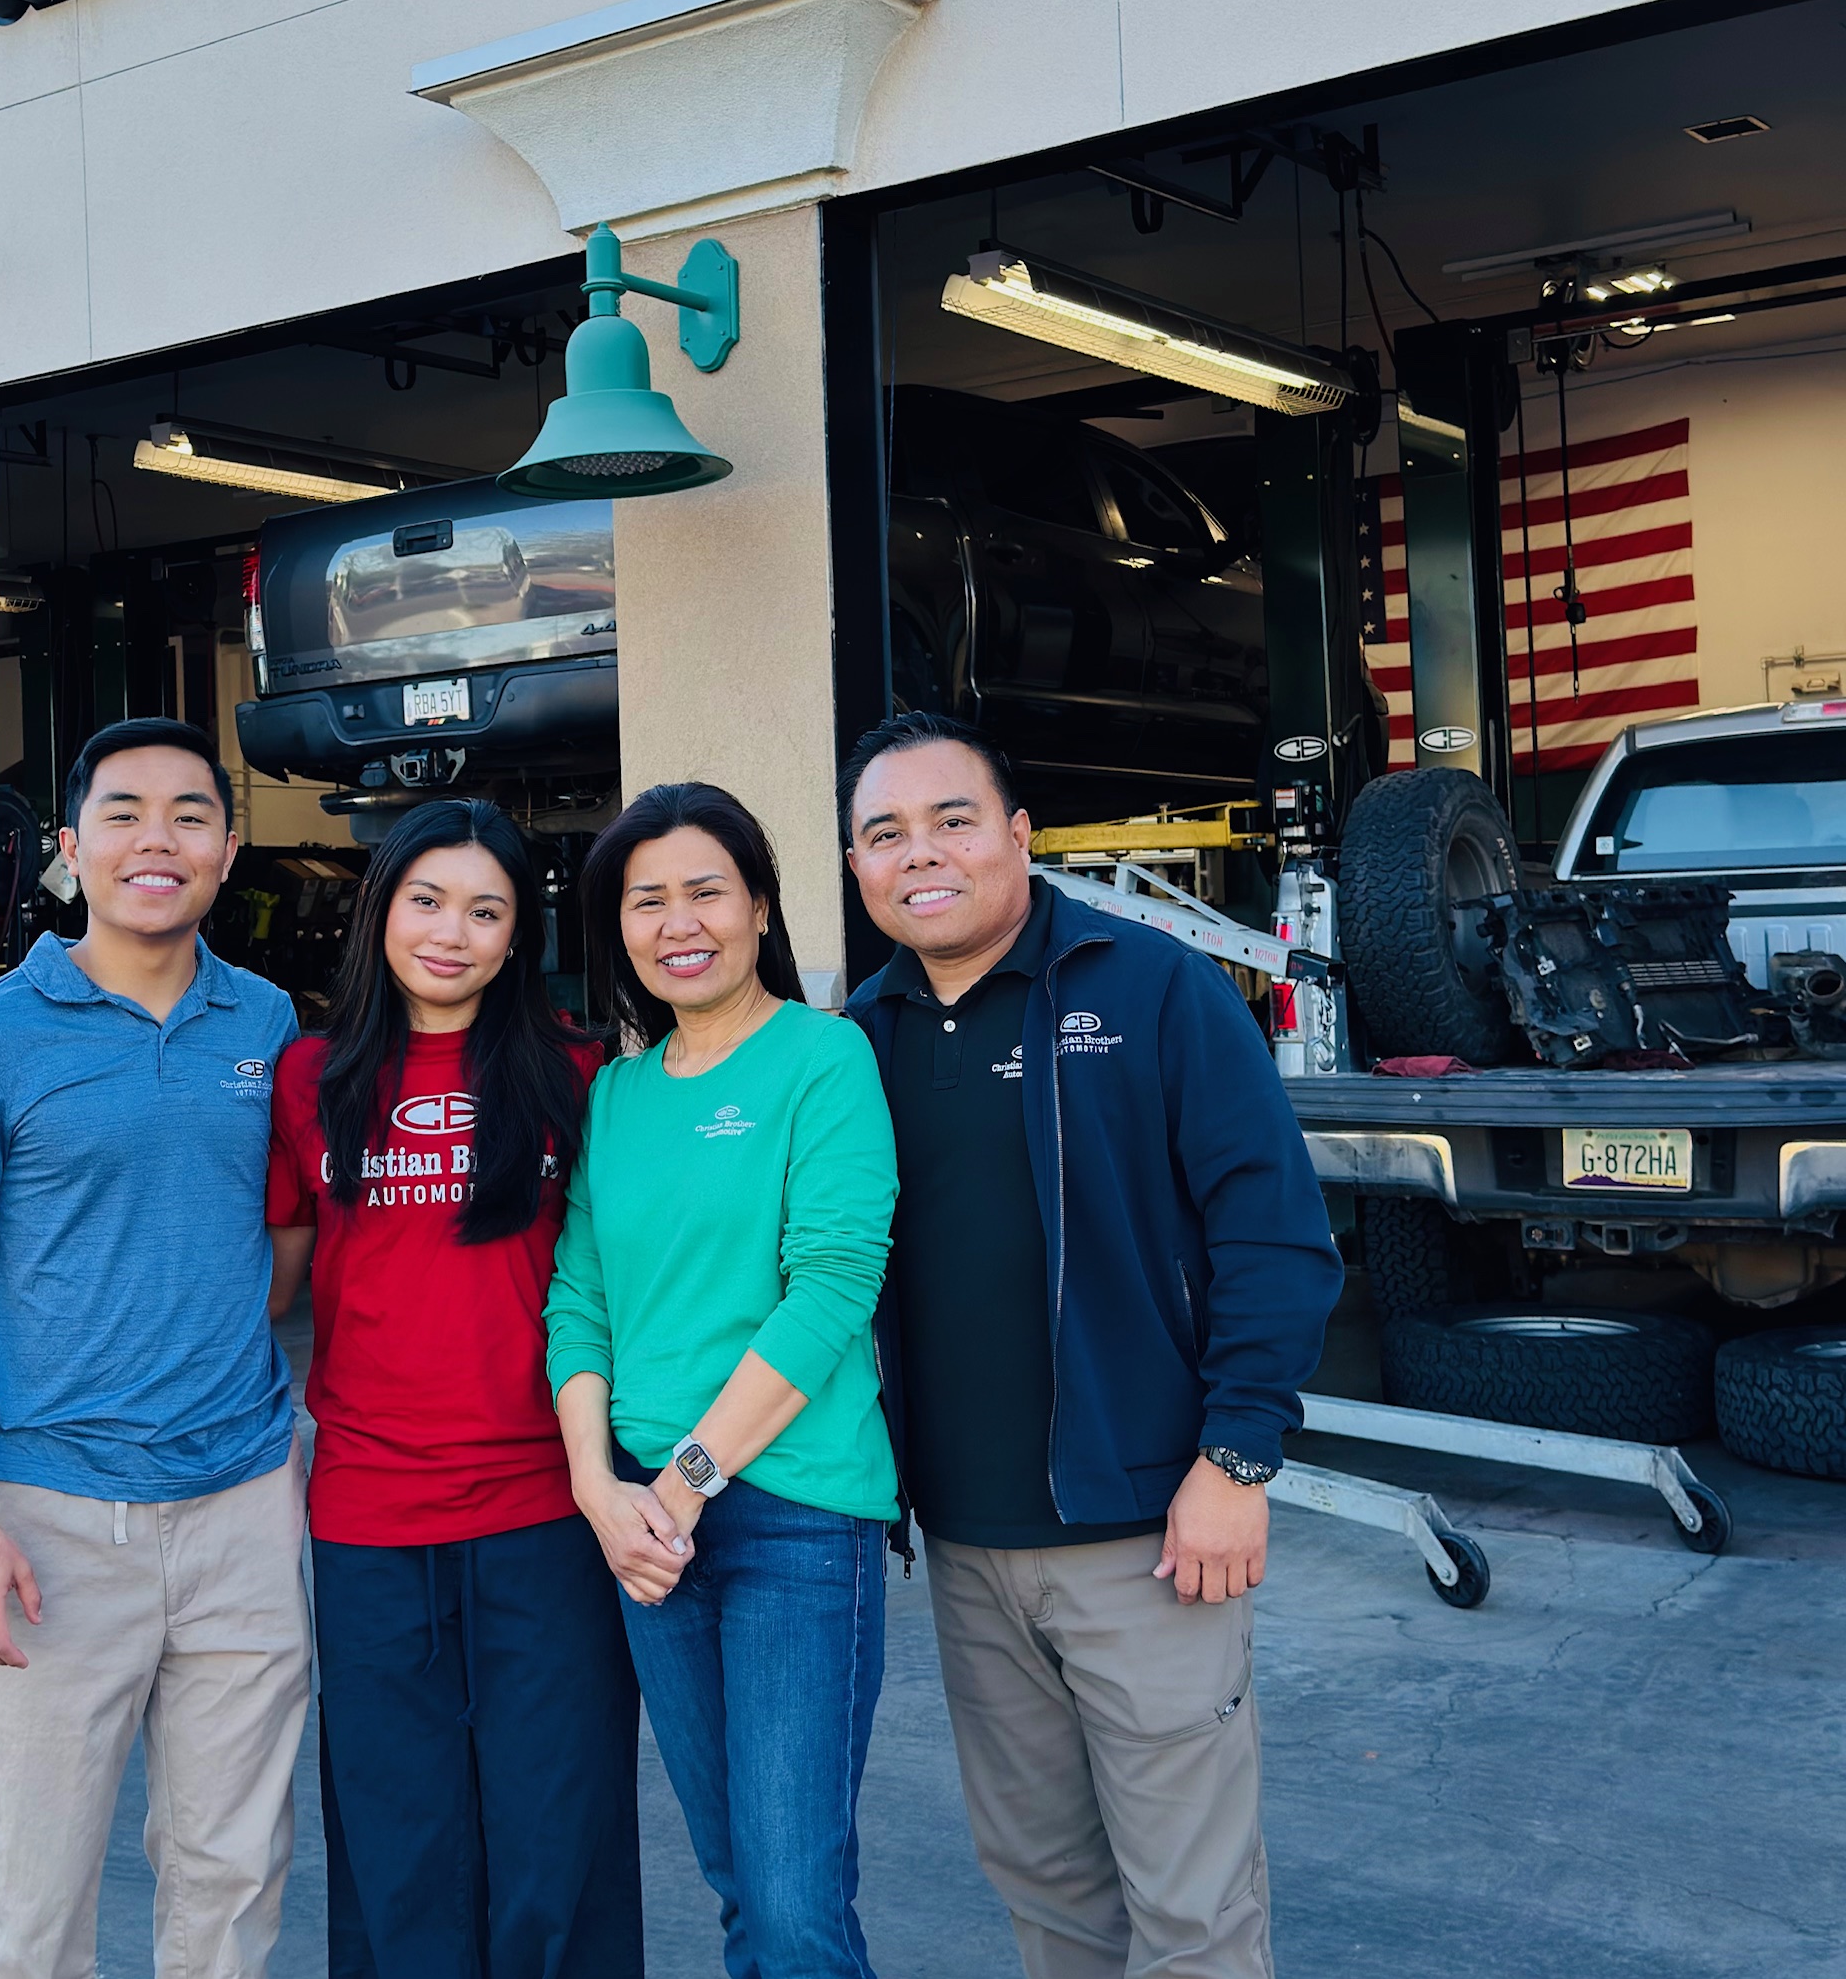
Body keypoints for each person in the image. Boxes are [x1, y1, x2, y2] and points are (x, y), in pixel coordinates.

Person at [839, 712, 1343, 1979]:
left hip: (1150, 1539)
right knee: (1047, 1891)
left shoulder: (1152, 984)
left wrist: (1238, 1458)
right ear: (856, 867)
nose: (922, 853)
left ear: (1019, 833)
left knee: (1192, 1906)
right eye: (884, 833)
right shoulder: (857, 1040)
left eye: (953, 817)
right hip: (963, 1544)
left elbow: (1275, 1232)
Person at [0, 718, 309, 1979]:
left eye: (189, 813)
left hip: (242, 1505)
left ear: (229, 849)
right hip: (52, 1522)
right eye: (122, 812)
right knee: (35, 1887)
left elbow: (281, 1239)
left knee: (233, 1874)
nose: (156, 839)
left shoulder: (269, 1020)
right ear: (71, 846)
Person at [264, 796, 642, 1979]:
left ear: (518, 934)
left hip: (547, 1509)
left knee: (558, 1827)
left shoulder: (578, 1072)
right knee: (397, 1836)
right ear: (380, 908)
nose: (453, 930)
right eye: (427, 899)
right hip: (370, 1514)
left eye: (487, 909)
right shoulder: (309, 1076)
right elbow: (267, 1282)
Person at [544, 782, 899, 1979]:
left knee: (797, 1896)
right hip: (643, 1519)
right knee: (739, 1875)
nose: (677, 921)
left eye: (706, 889)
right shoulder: (615, 1093)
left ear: (758, 904)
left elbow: (834, 1287)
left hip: (791, 1513)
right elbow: (579, 1301)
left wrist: (688, 1481)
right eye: (647, 899)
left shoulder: (822, 1054)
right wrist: (600, 1486)